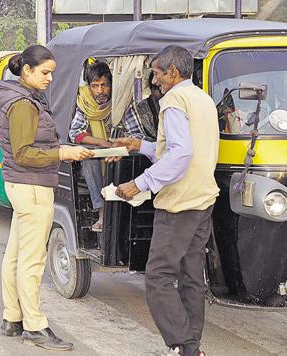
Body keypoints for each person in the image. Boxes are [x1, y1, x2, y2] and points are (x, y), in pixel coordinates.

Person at [114, 45, 219, 356]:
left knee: (158, 277)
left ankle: (184, 344)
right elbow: (184, 146)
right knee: (191, 277)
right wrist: (141, 145)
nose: (155, 80)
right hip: (203, 198)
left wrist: (140, 183)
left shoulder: (173, 100)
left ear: (173, 72)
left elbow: (180, 153)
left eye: (158, 73)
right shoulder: (202, 98)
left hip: (179, 202)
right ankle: (191, 349)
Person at [0, 45, 94, 351]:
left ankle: (12, 318)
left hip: (23, 185)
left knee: (15, 254)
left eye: (52, 72)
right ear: (27, 70)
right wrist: (62, 152)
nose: (50, 78)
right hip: (31, 185)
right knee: (32, 261)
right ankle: (35, 326)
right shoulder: (23, 103)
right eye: (45, 72)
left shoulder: (23, 97)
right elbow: (24, 153)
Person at [68, 61, 112, 232]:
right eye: (95, 86)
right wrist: (101, 142)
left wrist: (122, 142)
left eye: (104, 85)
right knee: (90, 159)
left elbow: (136, 132)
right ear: (89, 86)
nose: (100, 91)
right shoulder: (84, 102)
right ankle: (102, 212)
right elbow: (76, 133)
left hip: (119, 152)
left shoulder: (121, 101)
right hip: (99, 153)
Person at [121, 73, 162, 142]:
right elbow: (134, 137)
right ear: (151, 90)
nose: (162, 92)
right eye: (157, 88)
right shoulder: (140, 109)